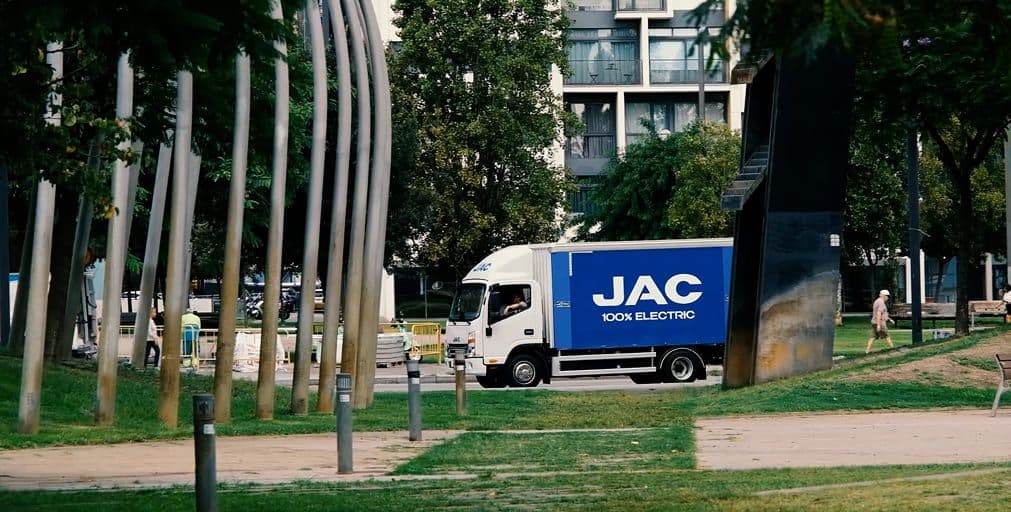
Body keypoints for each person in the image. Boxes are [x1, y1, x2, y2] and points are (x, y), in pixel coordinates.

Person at [866, 289, 895, 354]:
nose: (888, 298)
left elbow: (883, 313)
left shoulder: (877, 301)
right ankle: (893, 350)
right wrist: (879, 325)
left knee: (873, 336)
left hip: (874, 322)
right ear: (884, 296)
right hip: (880, 323)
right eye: (887, 296)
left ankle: (867, 351)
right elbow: (879, 313)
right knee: (886, 336)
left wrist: (889, 319)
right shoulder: (881, 302)